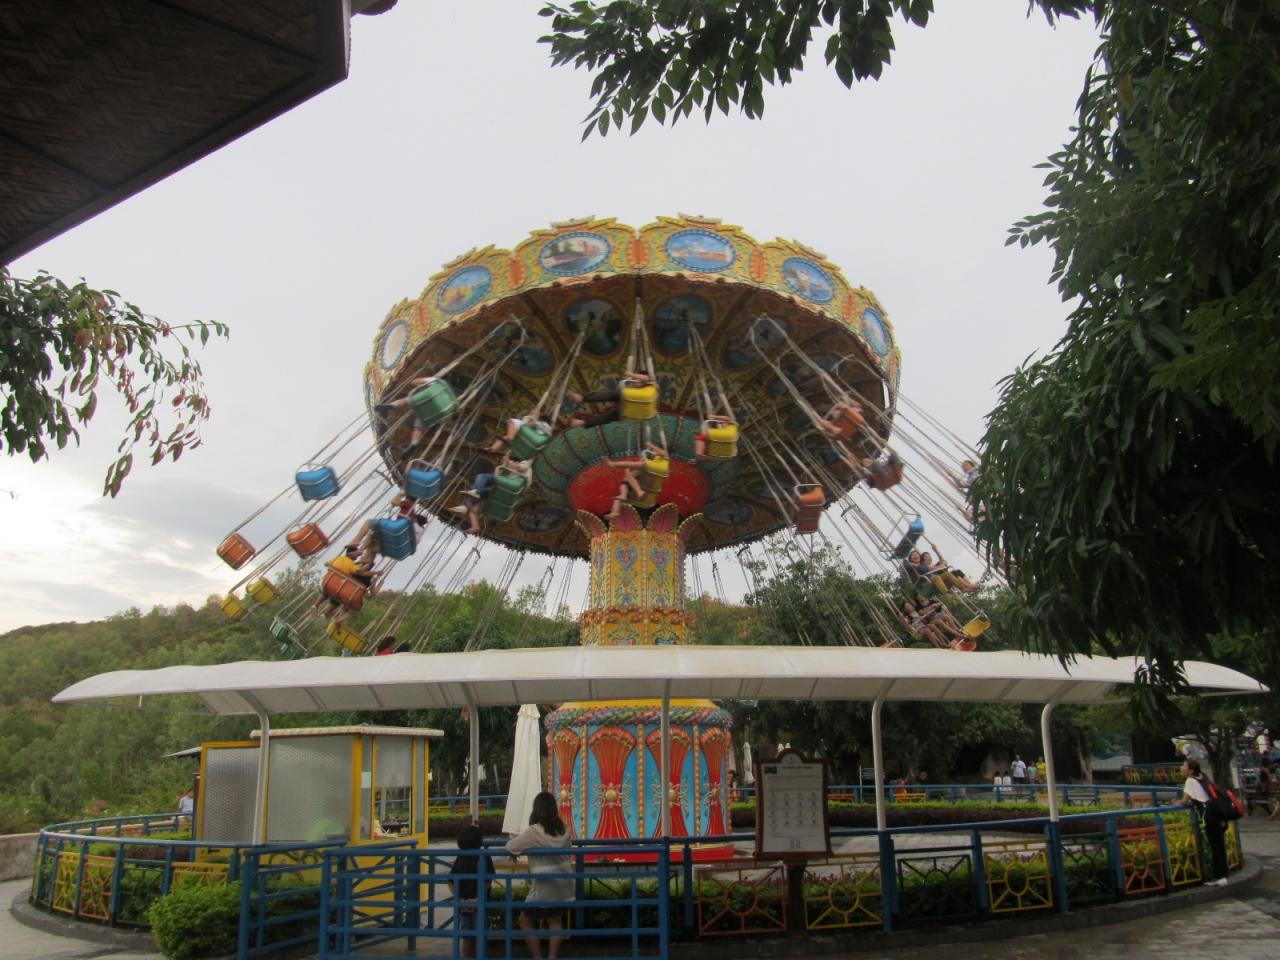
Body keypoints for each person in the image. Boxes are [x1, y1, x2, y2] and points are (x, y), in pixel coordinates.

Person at [506, 791, 573, 960]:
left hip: (543, 885)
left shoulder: (534, 832)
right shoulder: (564, 829)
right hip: (563, 883)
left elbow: (512, 846)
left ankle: (537, 956)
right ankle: (552, 956)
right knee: (555, 921)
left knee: (525, 920)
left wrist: (517, 850)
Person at [1181, 758, 1228, 886]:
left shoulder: (1190, 781)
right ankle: (1223, 875)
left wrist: (1177, 802)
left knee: (1214, 846)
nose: (1181, 768)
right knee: (1219, 845)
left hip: (1209, 816)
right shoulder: (1202, 778)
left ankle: (1219, 877)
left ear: (1190, 770)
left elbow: (1184, 800)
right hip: (1217, 814)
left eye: (1184, 766)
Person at [451, 824, 495, 959]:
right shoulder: (484, 856)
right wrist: (477, 899)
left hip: (463, 903)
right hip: (481, 903)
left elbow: (451, 880)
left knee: (466, 936)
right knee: (481, 934)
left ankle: (467, 957)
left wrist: (460, 899)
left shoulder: (460, 857)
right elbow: (488, 880)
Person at [375, 375, 439, 448]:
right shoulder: (436, 382)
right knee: (419, 426)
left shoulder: (434, 381)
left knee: (405, 401)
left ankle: (392, 405)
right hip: (436, 410)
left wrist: (419, 384)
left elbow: (414, 382)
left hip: (424, 401)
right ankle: (414, 442)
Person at [315, 545, 374, 622]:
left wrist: (333, 567)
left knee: (327, 592)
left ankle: (316, 604)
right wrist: (375, 574)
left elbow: (326, 563)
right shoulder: (353, 566)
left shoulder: (339, 558)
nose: (357, 558)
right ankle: (328, 615)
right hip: (347, 593)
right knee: (338, 600)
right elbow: (359, 571)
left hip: (331, 582)